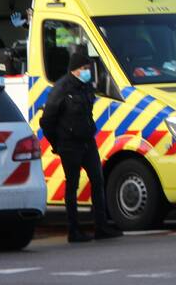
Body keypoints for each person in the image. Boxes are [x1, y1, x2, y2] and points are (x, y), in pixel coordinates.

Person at [39, 51, 123, 243]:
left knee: (97, 180)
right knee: (72, 185)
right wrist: (57, 144)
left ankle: (101, 226)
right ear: (75, 70)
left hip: (87, 141)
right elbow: (47, 120)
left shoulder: (85, 87)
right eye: (85, 68)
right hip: (69, 144)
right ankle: (74, 230)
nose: (88, 72)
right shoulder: (61, 88)